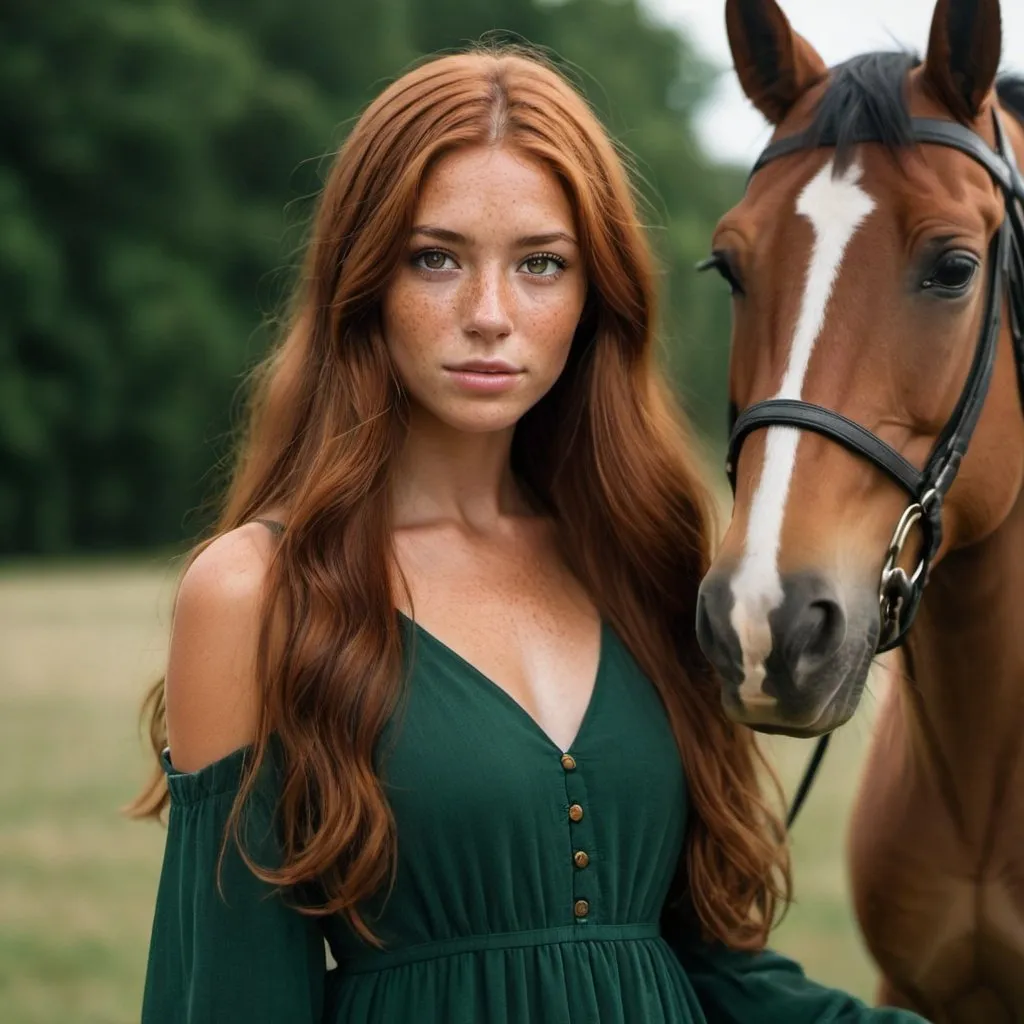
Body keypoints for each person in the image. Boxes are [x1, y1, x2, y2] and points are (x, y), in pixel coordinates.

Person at [131, 45, 928, 1023]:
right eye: (437, 258)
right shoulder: (255, 593)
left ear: (598, 297)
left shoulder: (644, 556)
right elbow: (229, 998)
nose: (489, 315)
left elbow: (714, 973)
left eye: (541, 264)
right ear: (363, 278)